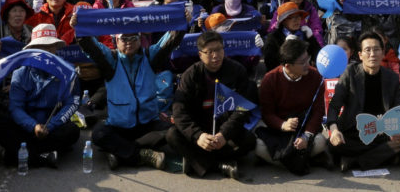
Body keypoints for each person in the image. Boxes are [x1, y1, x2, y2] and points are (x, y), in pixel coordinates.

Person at [78, 27, 178, 170]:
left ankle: (120, 152)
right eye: (124, 39)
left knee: (173, 131)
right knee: (99, 134)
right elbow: (90, 46)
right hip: (118, 126)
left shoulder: (150, 56)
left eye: (133, 38)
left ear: (140, 40)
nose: (129, 43)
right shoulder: (110, 60)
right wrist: (80, 27)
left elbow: (169, 41)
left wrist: (181, 24)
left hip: (147, 124)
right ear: (116, 41)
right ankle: (142, 155)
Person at [167, 31, 257, 179]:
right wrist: (198, 136)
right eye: (210, 52)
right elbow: (179, 112)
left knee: (249, 140)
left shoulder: (237, 71)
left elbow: (242, 109)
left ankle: (196, 161)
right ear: (200, 54)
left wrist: (224, 134)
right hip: (200, 131)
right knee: (172, 136)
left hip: (223, 129)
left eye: (219, 49)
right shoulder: (190, 75)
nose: (215, 56)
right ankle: (220, 165)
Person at [0, 24, 80, 167]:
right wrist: (33, 126)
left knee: (72, 131)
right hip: (26, 127)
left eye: (49, 46)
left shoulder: (68, 71)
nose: (45, 51)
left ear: (56, 48)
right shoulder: (20, 73)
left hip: (52, 126)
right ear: (32, 49)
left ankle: (17, 153)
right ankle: (43, 155)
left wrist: (51, 126)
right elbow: (16, 108)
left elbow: (72, 103)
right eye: (40, 47)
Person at [327, 31, 400, 171]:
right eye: (368, 50)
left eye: (377, 49)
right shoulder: (350, 73)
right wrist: (334, 130)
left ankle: (357, 161)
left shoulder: (391, 77)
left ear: (383, 53)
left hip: (381, 133)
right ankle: (382, 157)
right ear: (360, 55)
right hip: (354, 132)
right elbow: (334, 106)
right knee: (335, 144)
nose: (372, 54)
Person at [255, 38, 328, 175]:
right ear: (287, 66)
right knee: (257, 146)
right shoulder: (270, 79)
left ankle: (282, 160)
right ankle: (300, 159)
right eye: (302, 62)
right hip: (279, 132)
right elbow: (267, 113)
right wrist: (283, 124)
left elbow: (318, 111)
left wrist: (306, 136)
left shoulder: (316, 76)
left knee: (320, 142)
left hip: (303, 129)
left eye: (308, 58)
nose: (308, 64)